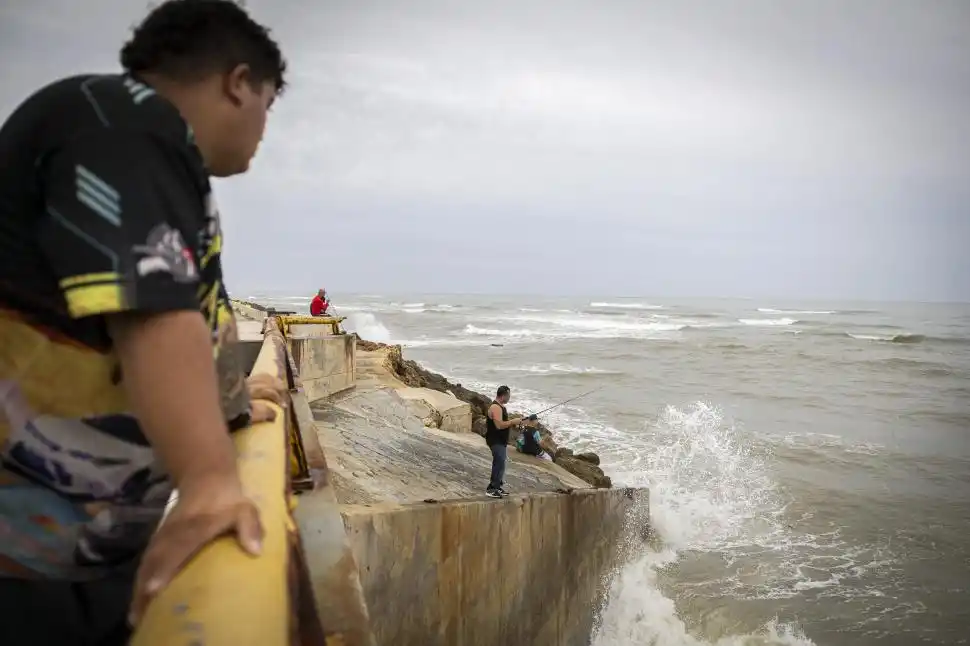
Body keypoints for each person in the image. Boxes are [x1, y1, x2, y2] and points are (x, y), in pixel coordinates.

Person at [0, 1, 288, 643]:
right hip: (23, 563)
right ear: (238, 82)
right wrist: (210, 483)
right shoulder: (120, 122)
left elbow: (192, 313)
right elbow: (151, 309)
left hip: (74, 547)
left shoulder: (143, 148)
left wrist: (233, 402)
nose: (264, 129)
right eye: (268, 105)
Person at [485, 385, 535, 498]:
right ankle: (491, 489)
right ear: (503, 395)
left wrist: (516, 424)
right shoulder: (495, 407)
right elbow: (499, 425)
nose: (509, 397)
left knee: (501, 464)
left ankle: (497, 486)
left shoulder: (501, 407)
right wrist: (513, 421)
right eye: (509, 395)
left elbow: (505, 424)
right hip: (495, 440)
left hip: (501, 440)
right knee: (499, 463)